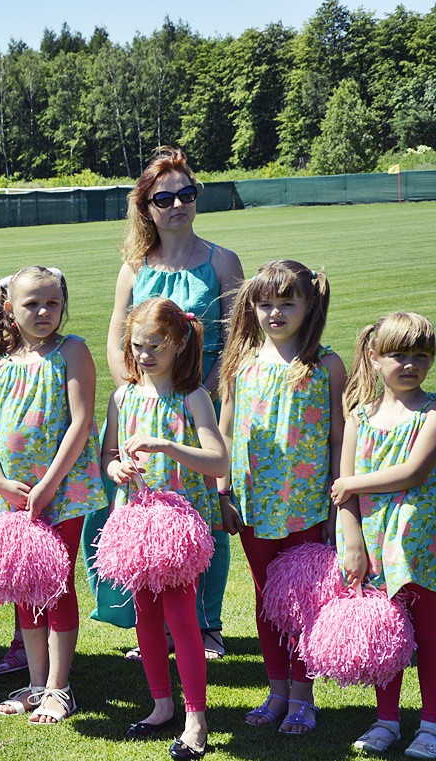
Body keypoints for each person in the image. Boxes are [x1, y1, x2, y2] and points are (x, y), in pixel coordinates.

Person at [102, 145, 243, 661]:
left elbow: (237, 336)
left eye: (187, 194)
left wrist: (197, 390)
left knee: (206, 510)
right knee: (146, 511)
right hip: (145, 400)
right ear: (147, 207)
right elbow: (118, 332)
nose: (178, 205)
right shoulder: (134, 267)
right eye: (165, 198)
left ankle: (206, 624)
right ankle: (155, 625)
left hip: (205, 398)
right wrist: (135, 390)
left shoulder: (222, 260)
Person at [0, 266, 106, 724]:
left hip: (62, 491)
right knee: (25, 589)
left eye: (51, 302)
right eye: (31, 304)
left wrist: (47, 486)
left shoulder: (72, 351)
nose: (43, 311)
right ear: (9, 309)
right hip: (10, 495)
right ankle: (35, 682)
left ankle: (59, 687)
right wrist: (0, 481)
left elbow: (81, 421)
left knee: (56, 586)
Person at [217, 261, 345, 734]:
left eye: (287, 302)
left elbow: (337, 438)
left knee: (304, 603)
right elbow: (225, 432)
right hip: (253, 504)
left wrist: (337, 505)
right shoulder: (242, 361)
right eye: (265, 303)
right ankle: (276, 691)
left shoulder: (325, 364)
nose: (275, 312)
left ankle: (303, 697)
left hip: (307, 505)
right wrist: (222, 491)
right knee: (267, 599)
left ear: (309, 304)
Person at [101, 298, 228, 758]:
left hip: (178, 529)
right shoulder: (122, 397)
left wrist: (168, 445)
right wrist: (114, 468)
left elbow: (218, 461)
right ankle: (161, 706)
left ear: (177, 343)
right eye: (137, 346)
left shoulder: (193, 396)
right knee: (146, 617)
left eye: (156, 345)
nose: (145, 355)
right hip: (136, 526)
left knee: (181, 616)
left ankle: (196, 718)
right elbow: (108, 456)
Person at [331, 312, 436, 759]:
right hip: (374, 544)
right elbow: (343, 491)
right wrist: (351, 540)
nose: (409, 364)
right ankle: (387, 720)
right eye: (398, 355)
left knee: (429, 636)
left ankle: (430, 725)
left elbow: (413, 472)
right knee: (386, 636)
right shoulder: (360, 416)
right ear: (374, 358)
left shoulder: (432, 413)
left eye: (421, 355)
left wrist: (352, 484)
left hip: (420, 543)